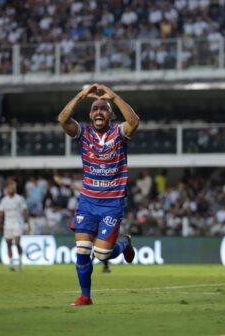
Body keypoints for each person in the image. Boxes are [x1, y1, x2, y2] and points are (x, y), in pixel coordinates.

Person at [58, 83, 140, 306]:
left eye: (103, 108)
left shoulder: (119, 133)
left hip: (112, 203)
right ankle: (85, 296)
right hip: (88, 202)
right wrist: (80, 95)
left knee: (102, 255)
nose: (98, 112)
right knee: (83, 250)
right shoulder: (83, 134)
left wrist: (113, 95)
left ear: (111, 114)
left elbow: (134, 122)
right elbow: (62, 120)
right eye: (94, 109)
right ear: (90, 115)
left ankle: (124, 244)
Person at [0, 180, 30, 272]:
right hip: (7, 225)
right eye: (10, 187)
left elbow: (24, 211)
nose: (12, 189)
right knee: (9, 244)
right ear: (7, 189)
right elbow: (0, 213)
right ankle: (11, 264)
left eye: (13, 187)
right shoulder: (4, 200)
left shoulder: (20, 199)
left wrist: (27, 223)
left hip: (17, 223)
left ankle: (20, 261)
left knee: (17, 243)